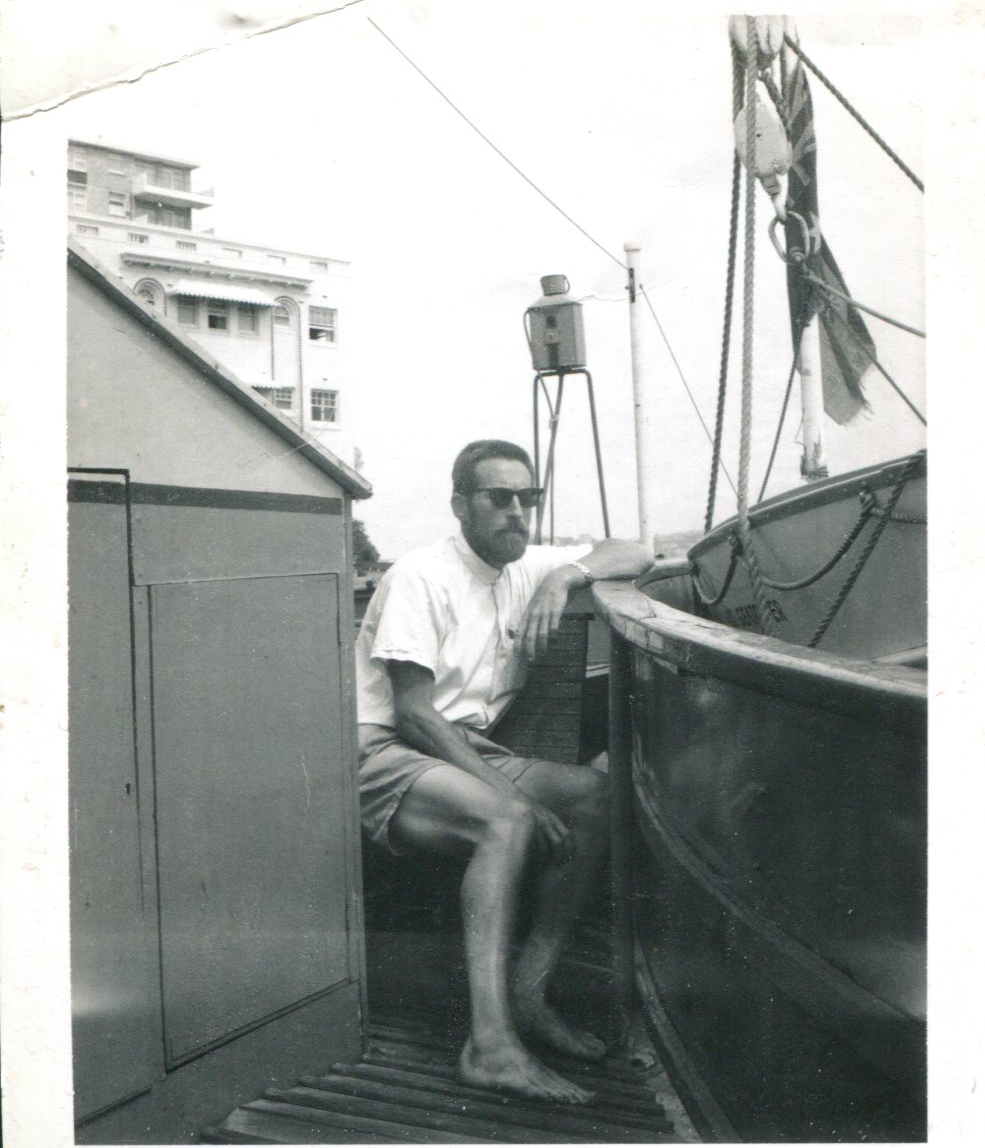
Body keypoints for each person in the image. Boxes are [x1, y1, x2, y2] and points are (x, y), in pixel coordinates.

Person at [355, 439, 651, 1104]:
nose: (517, 512)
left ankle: (528, 992)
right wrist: (506, 792)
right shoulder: (420, 575)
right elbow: (412, 714)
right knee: (509, 819)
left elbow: (633, 551)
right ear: (461, 505)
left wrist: (564, 578)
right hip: (380, 749)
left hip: (462, 746)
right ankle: (489, 1047)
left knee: (594, 796)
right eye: (499, 498)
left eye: (528, 498)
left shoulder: (526, 562)